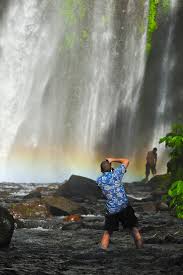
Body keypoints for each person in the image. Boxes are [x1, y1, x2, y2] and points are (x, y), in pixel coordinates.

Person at [96, 157, 143, 250]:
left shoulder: (99, 180)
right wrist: (112, 159)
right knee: (134, 229)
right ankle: (141, 250)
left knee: (107, 233)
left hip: (112, 210)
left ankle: (102, 252)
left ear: (101, 170)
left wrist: (109, 170)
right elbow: (126, 161)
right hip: (124, 207)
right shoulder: (116, 174)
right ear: (110, 168)